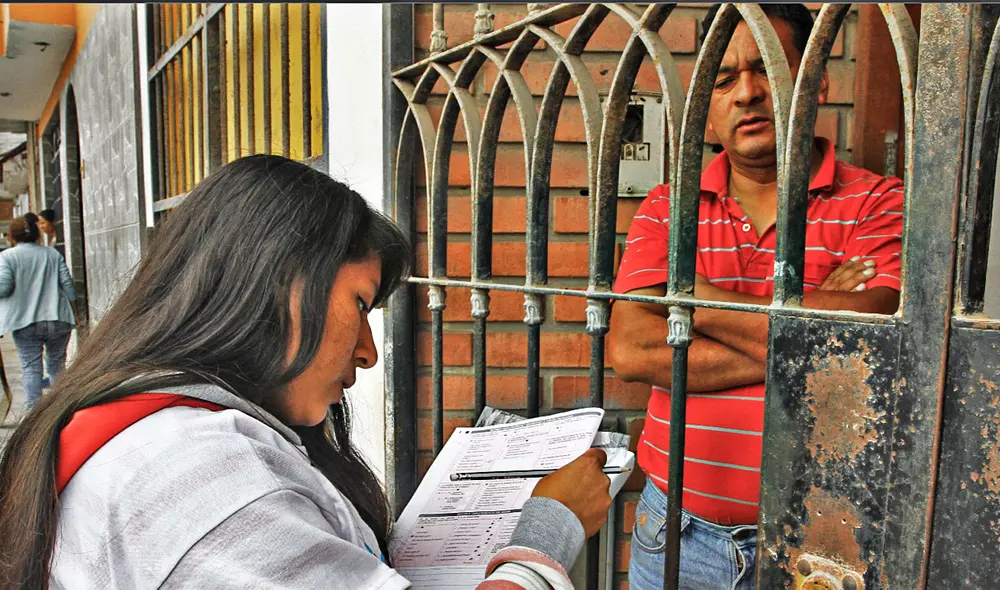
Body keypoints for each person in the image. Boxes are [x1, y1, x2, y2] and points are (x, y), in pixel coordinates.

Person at [0, 155, 612, 590]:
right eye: (360, 305)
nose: (369, 352)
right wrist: (544, 536)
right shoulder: (196, 475)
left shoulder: (152, 433)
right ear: (280, 287)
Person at [607, 4, 903, 589]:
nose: (745, 92)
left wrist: (690, 299)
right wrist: (814, 317)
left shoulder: (876, 202)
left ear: (814, 79)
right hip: (677, 538)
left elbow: (872, 336)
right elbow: (632, 351)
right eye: (723, 80)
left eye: (765, 67)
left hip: (824, 545)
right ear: (707, 112)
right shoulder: (671, 207)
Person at [0, 214, 77, 410]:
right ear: (37, 234)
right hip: (59, 318)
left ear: (12, 237)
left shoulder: (7, 256)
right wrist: (75, 311)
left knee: (31, 368)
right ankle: (62, 410)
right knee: (57, 366)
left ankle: (35, 416)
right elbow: (68, 285)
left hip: (25, 322)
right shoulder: (52, 254)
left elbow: (4, 287)